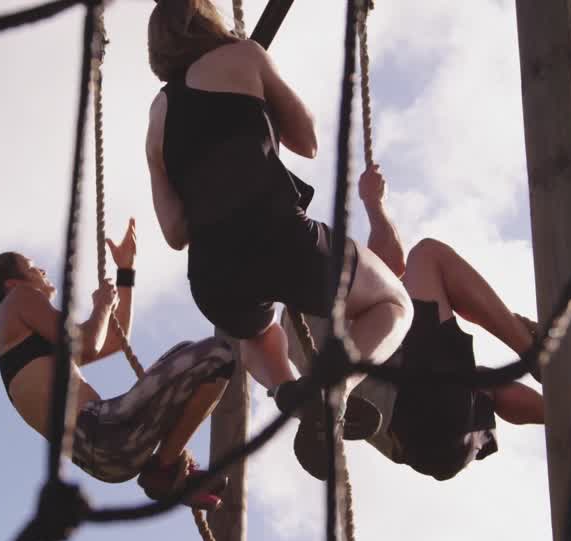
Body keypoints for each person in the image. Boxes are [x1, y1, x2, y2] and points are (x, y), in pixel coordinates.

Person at [144, 0, 413, 475]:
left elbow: (174, 232)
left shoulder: (158, 116)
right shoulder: (244, 56)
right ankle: (335, 390)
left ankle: (289, 391)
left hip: (212, 275)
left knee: (254, 330)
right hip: (280, 236)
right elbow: (306, 140)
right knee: (394, 302)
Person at [345, 164, 571, 481]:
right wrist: (373, 203)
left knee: (481, 381)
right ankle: (536, 356)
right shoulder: (315, 279)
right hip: (419, 403)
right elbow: (390, 262)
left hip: (431, 448)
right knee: (428, 257)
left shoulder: (295, 336)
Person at [0, 218, 235, 509]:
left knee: (187, 353)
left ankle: (166, 469)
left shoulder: (27, 345)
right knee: (217, 356)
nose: (41, 270)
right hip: (103, 431)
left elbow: (115, 342)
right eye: (31, 267)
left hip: (104, 459)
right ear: (13, 283)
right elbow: (87, 342)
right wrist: (102, 306)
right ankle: (164, 468)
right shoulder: (18, 299)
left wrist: (125, 272)